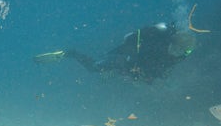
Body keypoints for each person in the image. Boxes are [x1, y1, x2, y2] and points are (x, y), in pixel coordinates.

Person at [36, 22, 196, 83]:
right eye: (177, 49)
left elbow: (157, 69)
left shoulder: (179, 56)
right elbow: (138, 58)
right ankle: (69, 53)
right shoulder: (157, 47)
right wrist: (130, 71)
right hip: (124, 59)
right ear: (173, 44)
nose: (178, 53)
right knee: (95, 68)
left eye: (183, 52)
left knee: (103, 72)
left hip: (129, 67)